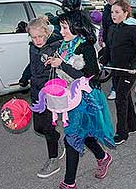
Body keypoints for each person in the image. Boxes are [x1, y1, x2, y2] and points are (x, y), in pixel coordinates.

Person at [47, 10, 114, 189]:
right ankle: (103, 157)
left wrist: (62, 64)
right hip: (68, 98)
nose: (61, 31)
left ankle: (69, 183)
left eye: (65, 27)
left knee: (72, 137)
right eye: (60, 27)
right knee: (83, 134)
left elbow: (90, 77)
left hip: (85, 99)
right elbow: (63, 69)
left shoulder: (86, 47)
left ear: (77, 28)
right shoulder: (64, 45)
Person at [20, 17, 64, 178]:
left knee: (47, 127)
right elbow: (31, 64)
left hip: (49, 93)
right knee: (38, 128)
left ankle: (53, 160)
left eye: (40, 36)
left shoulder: (55, 47)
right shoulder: (33, 47)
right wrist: (25, 77)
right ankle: (57, 138)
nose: (37, 40)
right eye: (33, 37)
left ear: (46, 33)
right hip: (35, 92)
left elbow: (64, 66)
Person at [100, 0, 136, 145]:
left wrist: (134, 66)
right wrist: (101, 61)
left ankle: (122, 133)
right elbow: (109, 48)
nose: (113, 15)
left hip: (128, 71)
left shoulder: (132, 29)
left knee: (120, 98)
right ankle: (133, 125)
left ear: (126, 13)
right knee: (125, 96)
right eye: (112, 12)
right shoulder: (113, 28)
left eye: (117, 12)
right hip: (116, 69)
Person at [100, 0, 123, 100]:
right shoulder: (106, 8)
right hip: (108, 40)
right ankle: (116, 88)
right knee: (112, 65)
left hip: (117, 41)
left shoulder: (120, 8)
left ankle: (116, 89)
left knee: (116, 66)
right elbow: (103, 25)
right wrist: (102, 38)